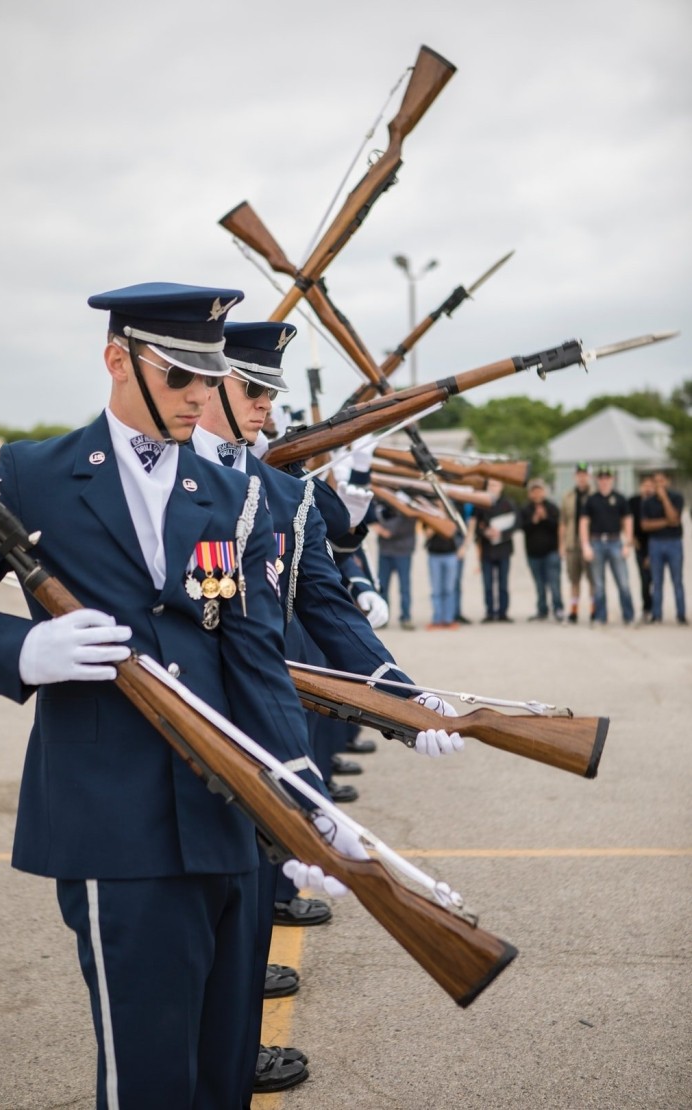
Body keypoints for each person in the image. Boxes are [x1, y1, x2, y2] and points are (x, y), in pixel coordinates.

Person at [0, 282, 361, 1109]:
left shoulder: (237, 493)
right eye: (180, 376)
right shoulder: (35, 475)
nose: (200, 397)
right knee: (147, 1081)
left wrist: (306, 800)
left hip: (233, 819)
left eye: (209, 379)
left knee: (223, 1075)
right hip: (115, 827)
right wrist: (19, 647)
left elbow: (255, 658)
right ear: (117, 360)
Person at [192, 319, 465, 1101]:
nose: (264, 408)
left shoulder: (286, 493)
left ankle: (235, 1056)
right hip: (180, 735)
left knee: (250, 903)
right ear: (210, 385)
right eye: (252, 389)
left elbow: (328, 603)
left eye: (270, 394)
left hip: (269, 732)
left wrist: (404, 697)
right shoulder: (149, 479)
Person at [578, 467, 635, 625]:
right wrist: (585, 545)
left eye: (607, 478)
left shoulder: (620, 498)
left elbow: (628, 520)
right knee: (598, 584)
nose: (604, 481)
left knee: (623, 582)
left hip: (615, 542)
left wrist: (628, 543)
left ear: (612, 479)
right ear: (597, 480)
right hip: (596, 542)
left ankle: (629, 616)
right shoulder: (591, 500)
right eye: (601, 478)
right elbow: (583, 523)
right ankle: (600, 617)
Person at [640, 471, 687, 625]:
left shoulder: (676, 498)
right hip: (656, 543)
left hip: (674, 543)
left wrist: (665, 499)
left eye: (661, 481)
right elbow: (645, 525)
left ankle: (681, 614)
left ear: (667, 481)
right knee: (657, 581)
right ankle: (656, 614)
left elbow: (675, 518)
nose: (659, 484)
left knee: (677, 580)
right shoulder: (647, 502)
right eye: (656, 482)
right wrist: (667, 522)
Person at [517, 478, 564, 621]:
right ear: (530, 493)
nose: (537, 494)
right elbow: (522, 528)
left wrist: (545, 518)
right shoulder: (526, 509)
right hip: (533, 553)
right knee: (539, 584)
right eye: (534, 491)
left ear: (544, 492)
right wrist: (534, 520)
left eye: (539, 490)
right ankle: (542, 610)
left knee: (554, 582)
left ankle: (558, 609)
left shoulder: (552, 507)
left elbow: (557, 527)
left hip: (551, 552)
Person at [470, 479, 516, 622]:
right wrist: (485, 532)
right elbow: (475, 526)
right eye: (490, 485)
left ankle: (502, 612)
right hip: (487, 550)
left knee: (503, 583)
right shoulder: (480, 504)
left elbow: (516, 523)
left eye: (495, 485)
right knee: (488, 584)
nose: (493, 488)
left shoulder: (509, 503)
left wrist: (501, 534)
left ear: (501, 487)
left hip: (503, 549)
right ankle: (490, 612)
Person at [370, 499, 417, 629]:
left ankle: (406, 617)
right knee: (383, 587)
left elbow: (389, 532)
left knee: (404, 588)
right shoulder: (384, 507)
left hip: (402, 552)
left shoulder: (407, 508)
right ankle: (383, 618)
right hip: (386, 552)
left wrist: (377, 526)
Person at [558, 462, 595, 624]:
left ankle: (595, 610)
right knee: (574, 579)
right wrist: (561, 544)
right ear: (575, 476)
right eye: (579, 474)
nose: (582, 477)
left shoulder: (595, 496)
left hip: (590, 543)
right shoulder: (568, 496)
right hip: (572, 543)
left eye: (585, 474)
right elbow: (563, 522)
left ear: (589, 476)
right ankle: (573, 610)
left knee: (593, 579)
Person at [423, 522, 460, 629]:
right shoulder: (429, 516)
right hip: (434, 555)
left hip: (450, 554)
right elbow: (428, 533)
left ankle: (448, 619)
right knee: (436, 590)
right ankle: (437, 619)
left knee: (449, 589)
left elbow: (454, 531)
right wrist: (436, 523)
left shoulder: (451, 513)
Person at [628, 474, 655, 622]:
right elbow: (626, 520)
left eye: (650, 485)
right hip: (640, 544)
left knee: (655, 579)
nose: (648, 488)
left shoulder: (657, 501)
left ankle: (655, 609)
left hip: (656, 544)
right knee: (644, 579)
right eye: (645, 485)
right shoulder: (633, 501)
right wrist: (631, 537)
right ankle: (647, 608)